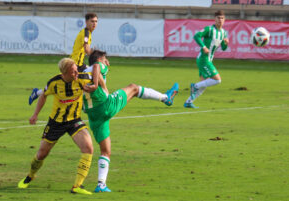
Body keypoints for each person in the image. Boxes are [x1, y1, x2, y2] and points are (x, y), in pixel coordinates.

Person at [82, 50, 179, 192]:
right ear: (100, 60)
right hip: (105, 106)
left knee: (105, 151)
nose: (107, 62)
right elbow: (97, 66)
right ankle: (166, 98)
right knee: (133, 88)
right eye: (105, 59)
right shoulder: (99, 66)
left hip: (93, 115)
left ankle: (101, 184)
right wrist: (97, 84)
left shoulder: (82, 74)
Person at [18, 58, 103, 195]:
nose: (76, 74)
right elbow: (43, 96)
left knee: (88, 148)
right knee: (41, 154)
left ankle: (77, 186)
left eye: (76, 70)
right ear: (64, 73)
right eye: (73, 72)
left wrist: (96, 85)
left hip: (74, 121)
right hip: (56, 123)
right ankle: (30, 175)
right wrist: (35, 114)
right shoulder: (54, 83)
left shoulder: (83, 78)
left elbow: (97, 68)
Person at [29, 13, 98, 105]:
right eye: (92, 21)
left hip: (79, 63)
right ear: (86, 22)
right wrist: (95, 54)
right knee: (93, 76)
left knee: (95, 74)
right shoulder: (86, 33)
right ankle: (87, 103)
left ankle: (37, 93)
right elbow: (86, 49)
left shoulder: (87, 32)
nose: (94, 23)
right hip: (75, 64)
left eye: (96, 21)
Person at [184, 10, 229, 108]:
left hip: (208, 60)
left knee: (204, 85)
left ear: (224, 20)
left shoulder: (223, 33)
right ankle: (194, 86)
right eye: (218, 18)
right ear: (215, 19)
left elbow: (224, 48)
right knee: (217, 80)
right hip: (204, 59)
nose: (220, 20)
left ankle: (188, 102)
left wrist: (226, 44)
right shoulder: (209, 29)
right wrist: (203, 46)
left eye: (222, 18)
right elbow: (196, 36)